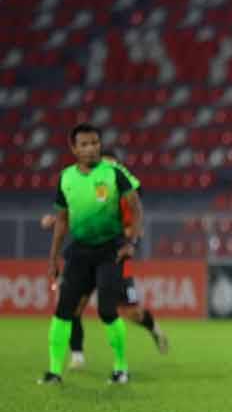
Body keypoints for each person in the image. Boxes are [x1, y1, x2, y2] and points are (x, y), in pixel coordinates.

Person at [41, 151, 168, 368]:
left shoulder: (125, 194)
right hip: (85, 255)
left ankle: (154, 329)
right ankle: (77, 354)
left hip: (114, 257)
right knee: (73, 307)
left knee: (130, 312)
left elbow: (133, 221)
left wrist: (130, 235)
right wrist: (54, 220)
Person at [39, 124, 142, 385]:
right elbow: (62, 222)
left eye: (95, 143)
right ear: (74, 149)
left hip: (110, 251)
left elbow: (136, 207)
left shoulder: (114, 173)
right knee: (64, 311)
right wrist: (53, 259)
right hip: (80, 253)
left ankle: (121, 368)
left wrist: (132, 242)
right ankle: (54, 372)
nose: (91, 148)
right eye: (84, 144)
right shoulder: (66, 178)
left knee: (107, 311)